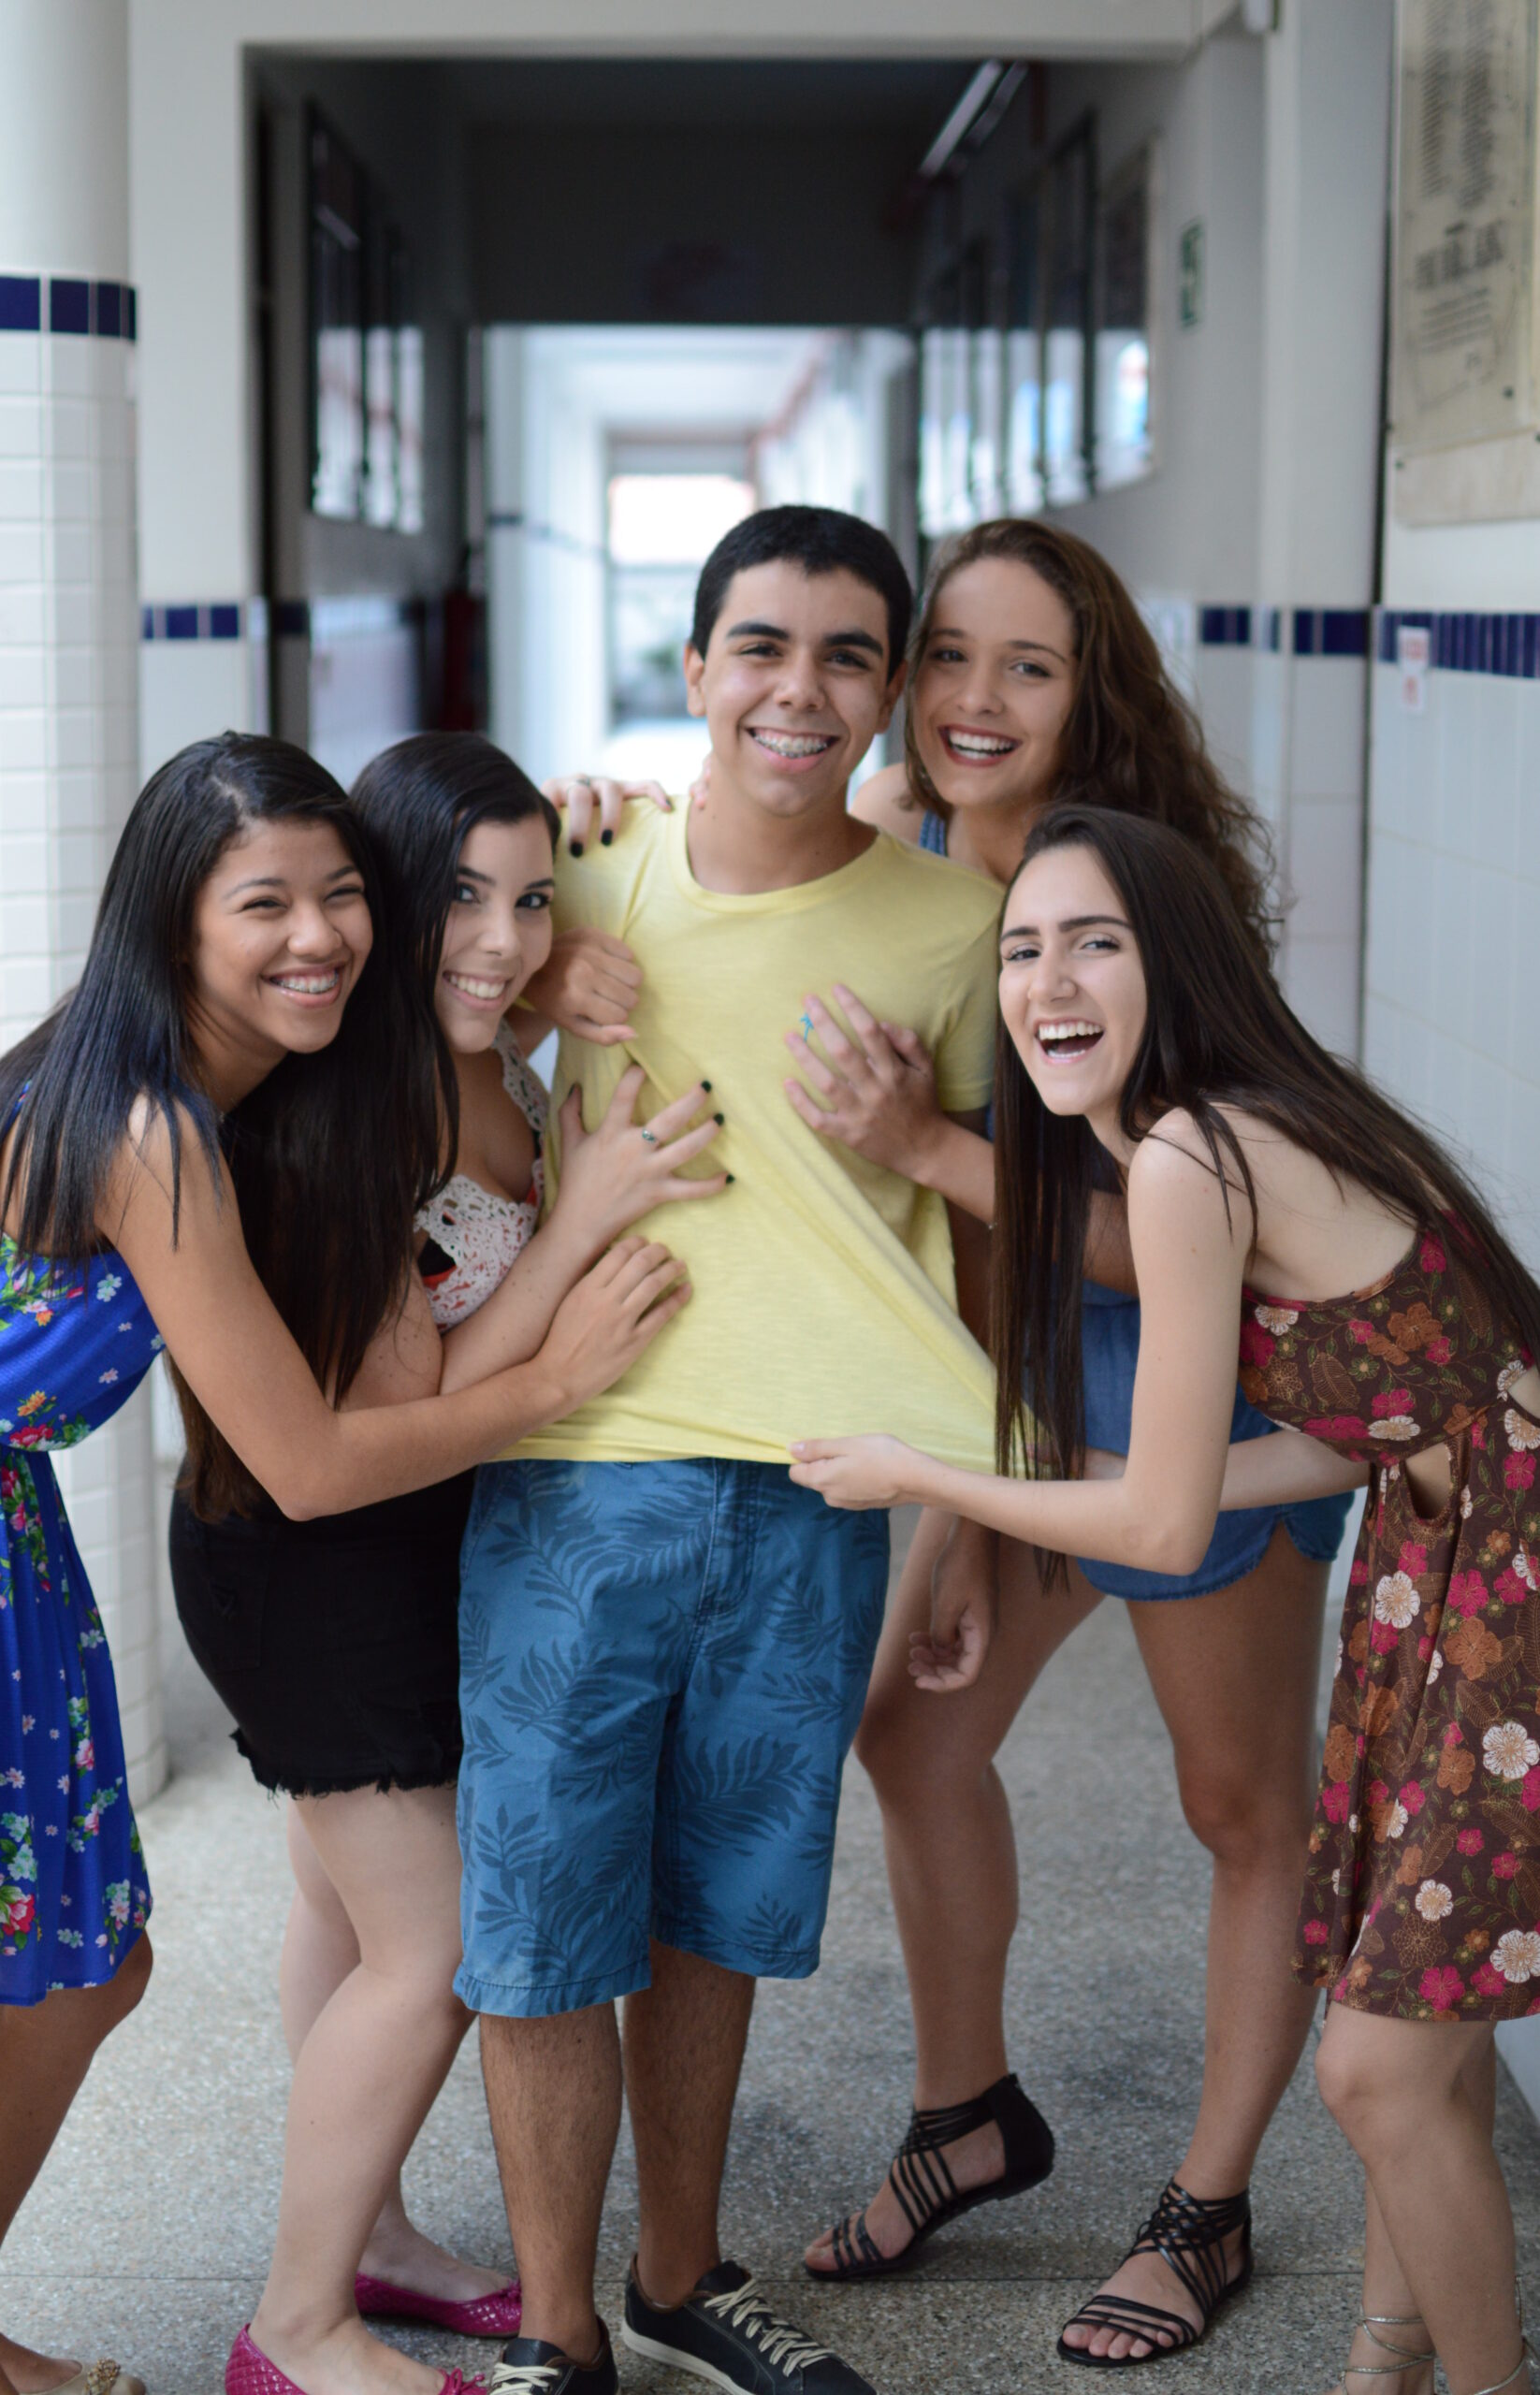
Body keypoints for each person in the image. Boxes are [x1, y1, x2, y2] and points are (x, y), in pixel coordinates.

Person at [556, 518, 1352, 2363]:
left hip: (1192, 1370)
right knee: (913, 1733)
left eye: (1027, 666)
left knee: (1237, 1806)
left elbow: (1186, 1232)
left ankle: (1208, 2198)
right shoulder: (903, 860)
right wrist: (582, 829)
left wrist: (920, 1145)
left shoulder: (1140, 900)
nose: (973, 699)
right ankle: (966, 2112)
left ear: (1091, 695)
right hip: (1018, 1381)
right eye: (948, 658)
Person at [0, 733, 690, 2395]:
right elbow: (309, 1460)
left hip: (4, 1523)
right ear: (172, 920)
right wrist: (558, 1377)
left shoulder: (225, 1082)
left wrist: (572, 872)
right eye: (264, 904)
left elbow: (456, 976)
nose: (317, 936)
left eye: (341, 895)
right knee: (104, 1954)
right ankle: (235, 2333)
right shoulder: (153, 1128)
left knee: (83, 1960)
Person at [790, 801, 1540, 2395]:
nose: (1046, 983)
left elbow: (1158, 1518)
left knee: (1377, 2072)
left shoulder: (1197, 1155)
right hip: (1450, 1564)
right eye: (1020, 950)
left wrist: (923, 1474)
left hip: (1504, 1583)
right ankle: (1386, 2360)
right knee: (1423, 2039)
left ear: (1177, 960)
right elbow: (1362, 1428)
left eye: (1093, 943)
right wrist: (1059, 1465)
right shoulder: (1238, 1126)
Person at [459, 505, 1007, 2395]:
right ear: (693, 667)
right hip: (574, 1463)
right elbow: (397, 1003)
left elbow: (1005, 1239)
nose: (800, 688)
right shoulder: (575, 866)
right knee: (539, 1913)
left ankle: (678, 2274)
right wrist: (528, 978)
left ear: (890, 689)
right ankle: (553, 2332)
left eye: (848, 653)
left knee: (720, 1909)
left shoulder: (957, 926)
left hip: (822, 1484)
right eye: (759, 645)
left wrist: (962, 1516)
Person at [167, 733, 724, 2395]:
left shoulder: (472, 1038)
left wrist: (593, 855)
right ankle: (295, 2325)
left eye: (531, 899)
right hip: (315, 1562)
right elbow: (408, 1400)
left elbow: (532, 957)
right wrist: (584, 1224)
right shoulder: (365, 1107)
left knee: (340, 1908)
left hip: (408, 1542)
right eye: (461, 900)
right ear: (389, 907)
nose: (500, 937)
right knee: (437, 1944)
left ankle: (377, 2236)